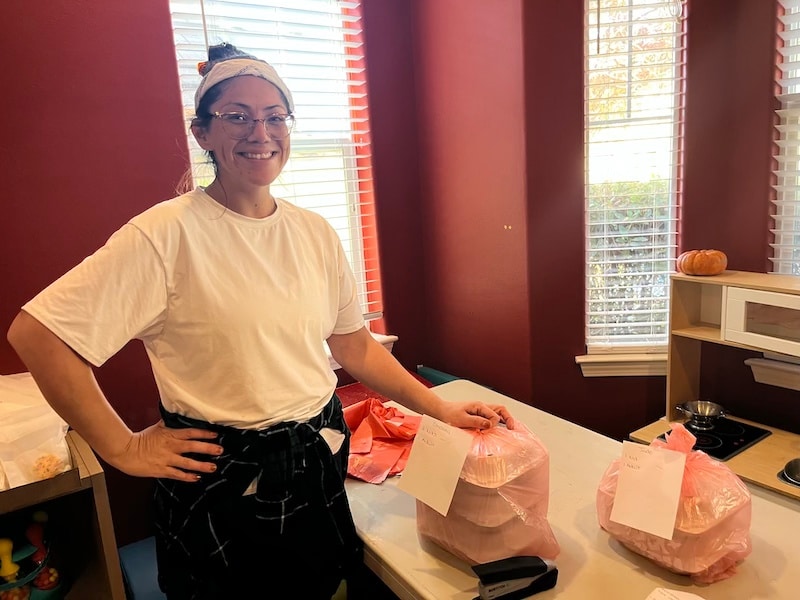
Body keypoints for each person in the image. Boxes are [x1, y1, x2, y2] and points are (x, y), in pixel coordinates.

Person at [6, 42, 515, 599]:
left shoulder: (314, 232)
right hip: (222, 477)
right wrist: (122, 447)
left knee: (324, 587)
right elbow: (38, 335)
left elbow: (353, 344)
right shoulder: (164, 236)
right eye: (237, 117)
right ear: (202, 132)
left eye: (275, 117)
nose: (260, 133)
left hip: (316, 453)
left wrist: (438, 409)